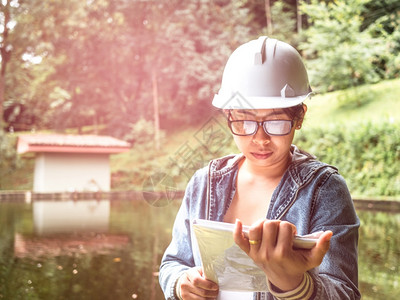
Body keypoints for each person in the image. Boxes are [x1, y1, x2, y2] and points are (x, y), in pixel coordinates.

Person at [159, 36, 360, 300]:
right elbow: (172, 263)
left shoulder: (324, 190)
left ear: (299, 117)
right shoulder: (204, 183)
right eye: (244, 123)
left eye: (276, 123)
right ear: (229, 117)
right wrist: (180, 283)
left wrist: (294, 284)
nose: (260, 139)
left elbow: (345, 293)